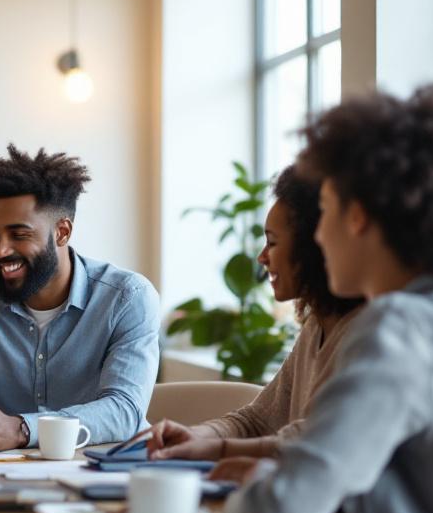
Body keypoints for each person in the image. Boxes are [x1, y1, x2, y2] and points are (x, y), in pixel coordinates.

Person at [220, 86, 433, 513]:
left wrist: (256, 482)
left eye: (326, 211)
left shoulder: (396, 330)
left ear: (357, 216)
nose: (319, 237)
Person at [0, 146, 159, 451]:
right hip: (4, 473)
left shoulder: (128, 298)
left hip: (106, 469)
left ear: (62, 232)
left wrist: (23, 429)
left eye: (19, 235)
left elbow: (123, 411)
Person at [146, 166, 364, 461]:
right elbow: (257, 421)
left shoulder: (363, 333)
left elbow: (315, 439)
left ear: (314, 247)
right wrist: (199, 434)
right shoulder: (316, 325)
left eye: (272, 242)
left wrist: (217, 447)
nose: (262, 257)